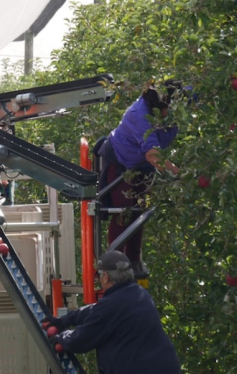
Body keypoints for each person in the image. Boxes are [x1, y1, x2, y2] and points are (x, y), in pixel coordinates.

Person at [42, 251, 181, 374]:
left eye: (99, 275)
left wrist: (59, 338)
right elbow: (95, 311)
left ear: (106, 277)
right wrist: (64, 321)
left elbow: (81, 339)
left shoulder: (112, 305)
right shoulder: (140, 294)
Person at [96, 80, 182, 278]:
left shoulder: (177, 101)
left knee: (139, 212)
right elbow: (153, 155)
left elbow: (201, 92)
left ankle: (133, 261)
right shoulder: (140, 116)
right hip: (121, 164)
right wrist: (180, 175)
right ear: (158, 109)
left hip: (143, 167)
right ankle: (114, 266)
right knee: (124, 212)